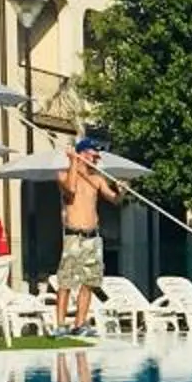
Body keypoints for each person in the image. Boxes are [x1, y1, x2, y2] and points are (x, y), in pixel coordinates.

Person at [55, 138, 124, 332]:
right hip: (73, 236)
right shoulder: (62, 175)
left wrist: (122, 190)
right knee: (66, 282)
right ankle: (60, 326)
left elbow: (114, 200)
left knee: (89, 282)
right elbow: (71, 190)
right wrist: (73, 162)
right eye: (94, 155)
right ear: (83, 153)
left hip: (93, 237)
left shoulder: (97, 179)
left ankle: (80, 323)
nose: (96, 159)